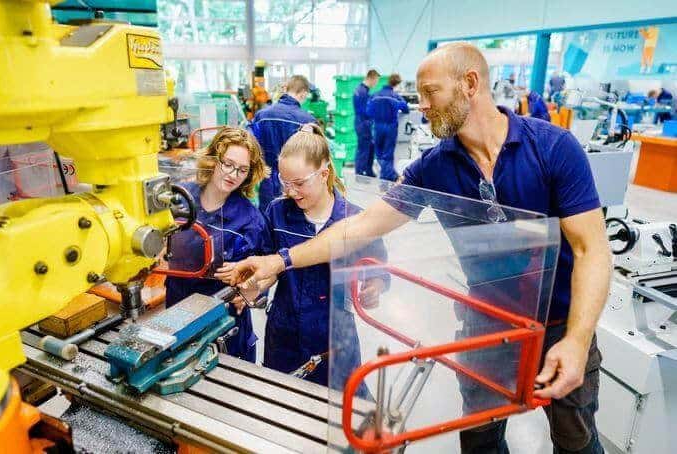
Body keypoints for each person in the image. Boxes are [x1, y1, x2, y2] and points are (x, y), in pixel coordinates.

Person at [231, 42, 612, 454]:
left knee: (575, 440)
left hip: (557, 325)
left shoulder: (553, 148)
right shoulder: (436, 166)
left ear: (470, 84)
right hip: (485, 325)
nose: (421, 106)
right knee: (480, 437)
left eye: (430, 93)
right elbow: (360, 225)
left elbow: (592, 250)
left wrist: (576, 341)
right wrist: (280, 259)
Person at [251, 123, 388, 388]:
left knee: (340, 406)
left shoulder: (354, 219)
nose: (291, 192)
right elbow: (266, 262)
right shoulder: (278, 212)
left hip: (334, 335)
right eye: (284, 182)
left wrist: (375, 284)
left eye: (299, 183)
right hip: (284, 331)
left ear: (324, 174)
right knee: (282, 400)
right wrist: (255, 286)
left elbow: (377, 262)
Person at [164, 127, 269, 363]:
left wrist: (248, 290)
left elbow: (264, 277)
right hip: (178, 311)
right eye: (228, 164)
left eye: (242, 170)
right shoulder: (180, 199)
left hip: (224, 321)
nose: (233, 174)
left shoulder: (251, 219)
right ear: (213, 160)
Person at [249, 75, 316, 212]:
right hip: (295, 183)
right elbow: (315, 156)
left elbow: (248, 142)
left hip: (266, 178)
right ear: (303, 93)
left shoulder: (262, 115)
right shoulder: (307, 120)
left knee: (267, 217)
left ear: (286, 89)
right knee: (292, 220)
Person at [366, 73, 409, 181]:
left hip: (378, 127)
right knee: (388, 153)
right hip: (391, 127)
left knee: (379, 152)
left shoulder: (375, 95)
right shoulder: (395, 96)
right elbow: (405, 108)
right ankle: (390, 175)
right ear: (397, 84)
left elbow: (368, 111)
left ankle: (387, 174)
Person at [353, 69, 380, 177]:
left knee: (370, 146)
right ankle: (360, 173)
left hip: (363, 122)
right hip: (363, 123)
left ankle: (368, 171)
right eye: (376, 81)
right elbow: (364, 111)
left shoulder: (362, 90)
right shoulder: (362, 92)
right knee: (363, 148)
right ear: (371, 78)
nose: (376, 83)